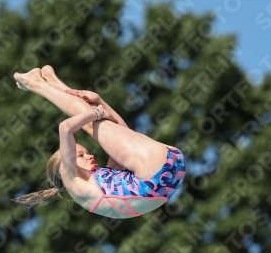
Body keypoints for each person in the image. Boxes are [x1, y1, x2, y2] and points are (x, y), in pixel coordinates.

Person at [11, 66, 186, 219]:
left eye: (85, 152)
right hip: (156, 171)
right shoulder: (70, 178)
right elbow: (65, 128)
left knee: (93, 122)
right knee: (89, 125)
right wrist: (98, 112)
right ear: (62, 167)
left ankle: (53, 84)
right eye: (80, 155)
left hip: (170, 170)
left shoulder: (99, 185)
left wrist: (100, 104)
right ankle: (36, 83)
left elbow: (125, 135)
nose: (90, 155)